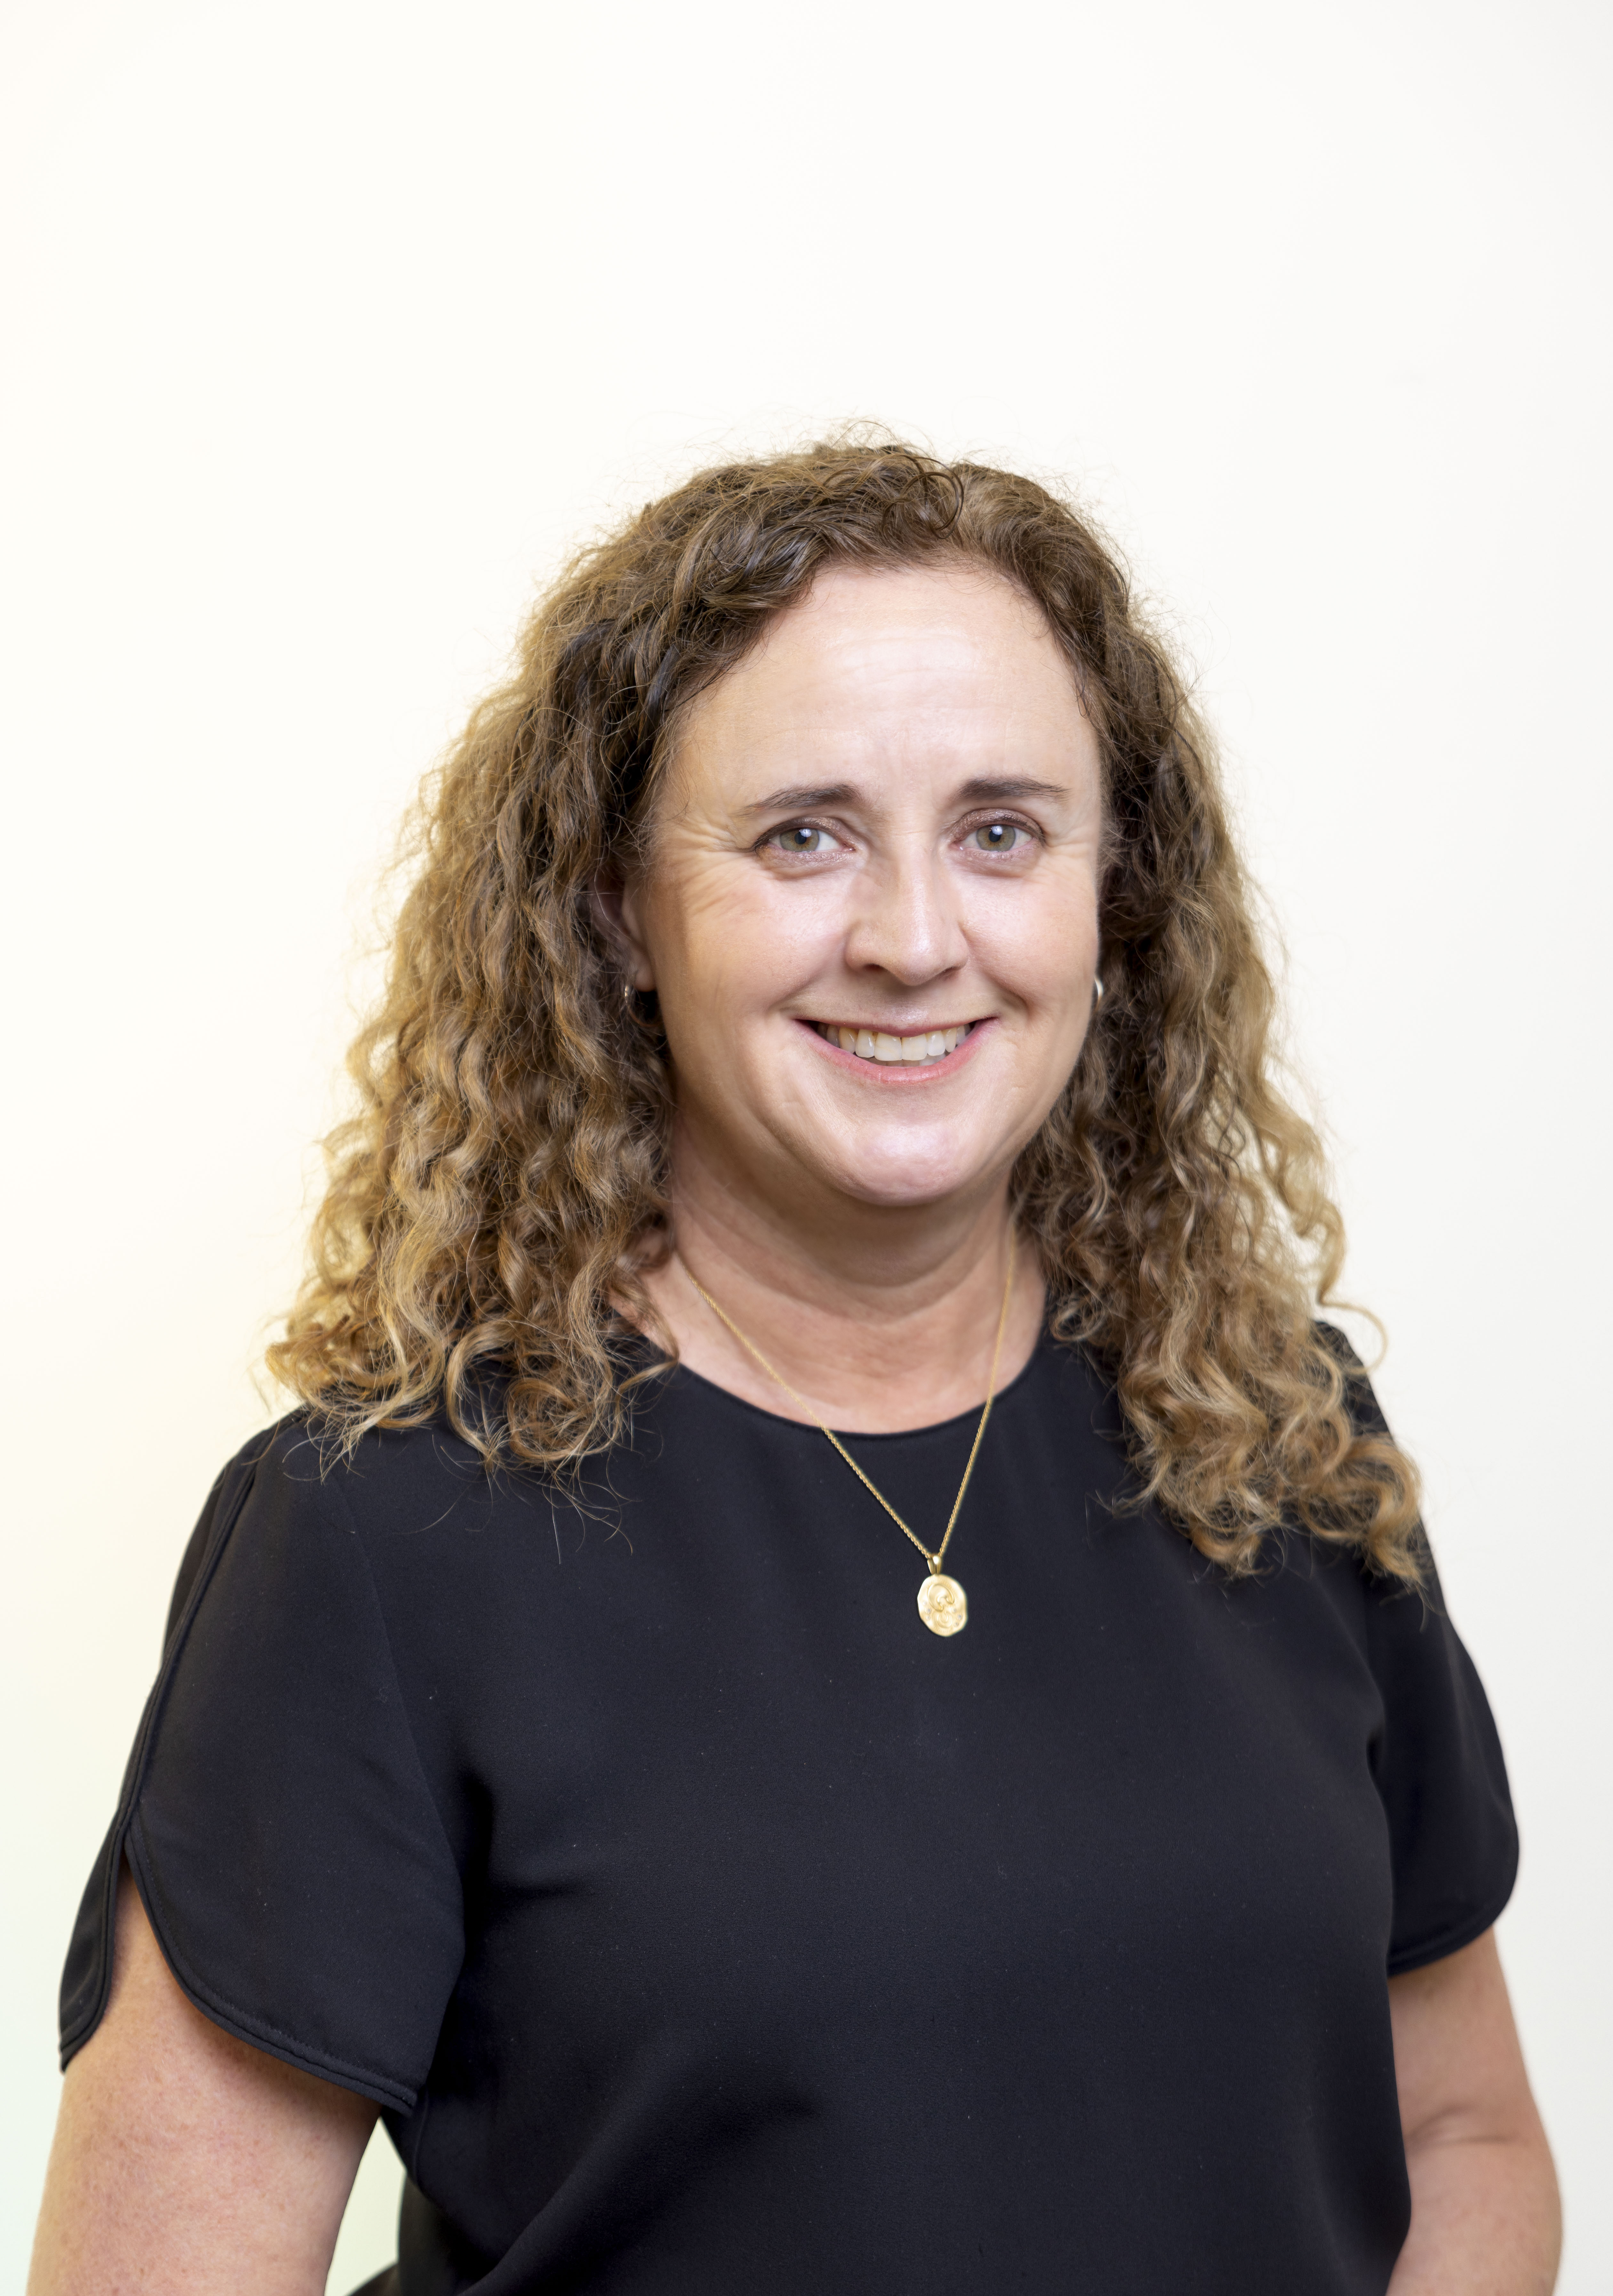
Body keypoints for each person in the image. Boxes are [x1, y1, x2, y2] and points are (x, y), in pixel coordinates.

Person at [28, 441, 1560, 2295]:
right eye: (799, 835)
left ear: (1110, 898)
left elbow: (1460, 2131)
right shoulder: (382, 1535)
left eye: (1001, 830)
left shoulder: (1271, 1432)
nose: (914, 941)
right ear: (616, 912)